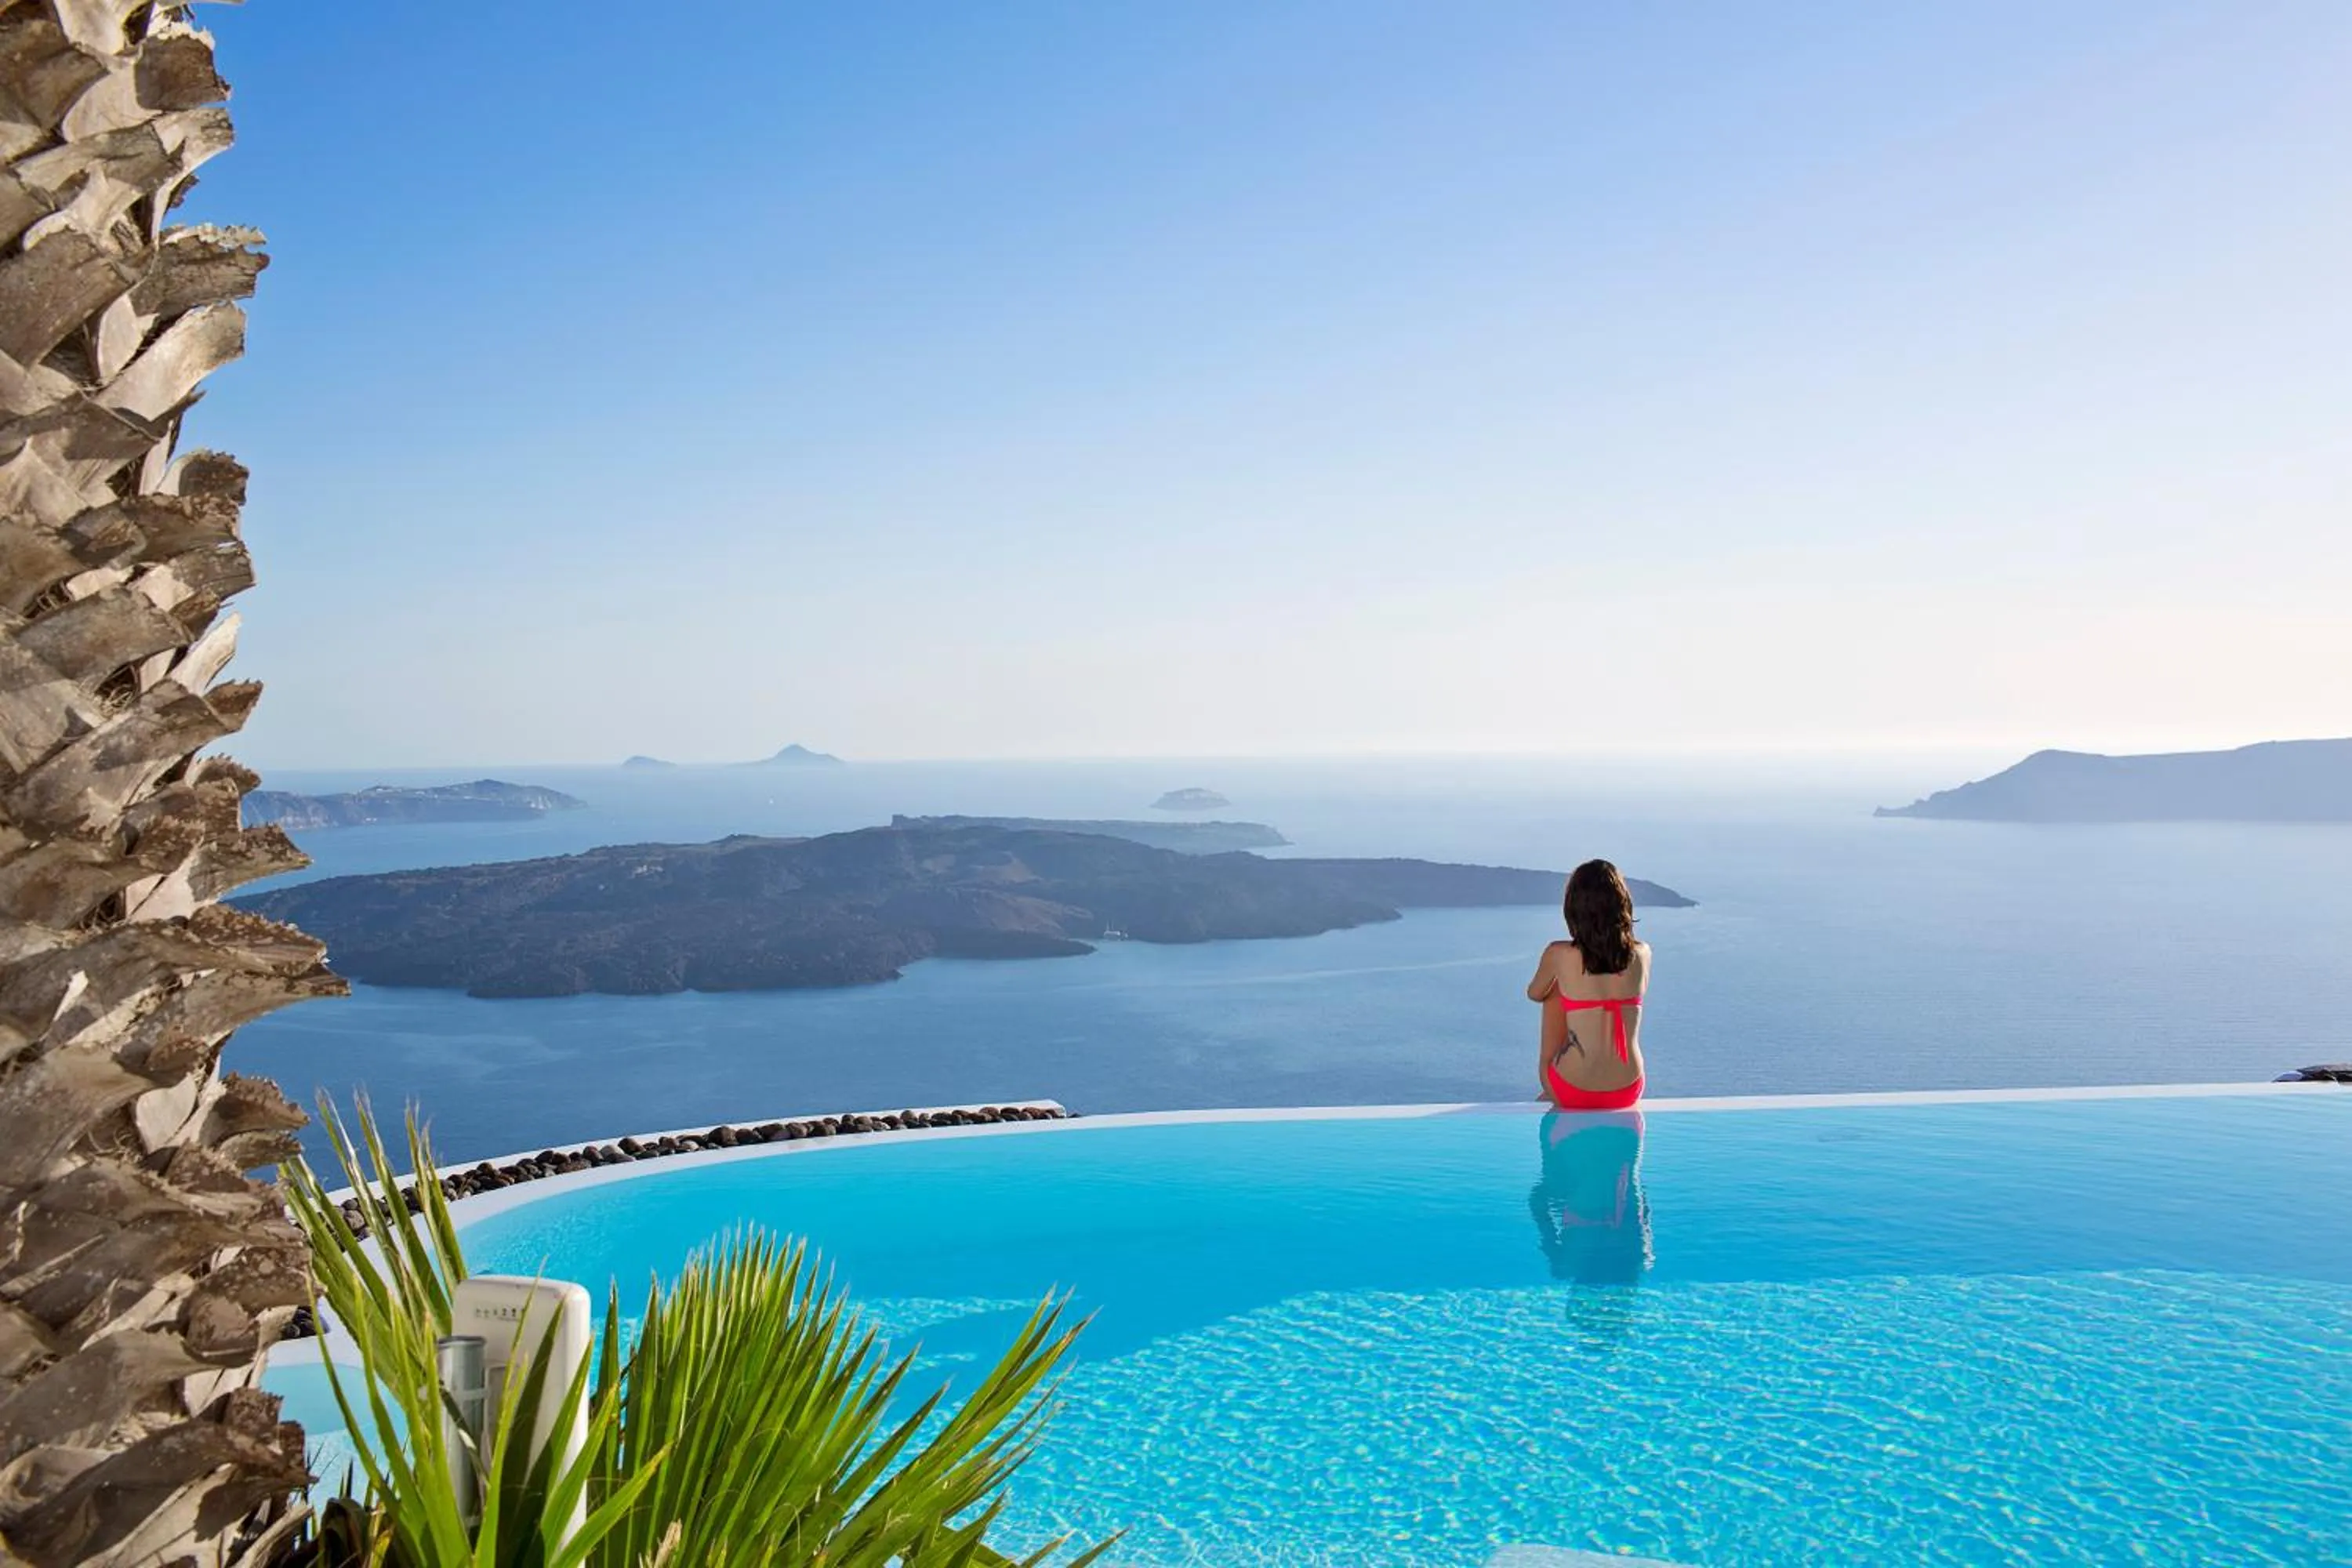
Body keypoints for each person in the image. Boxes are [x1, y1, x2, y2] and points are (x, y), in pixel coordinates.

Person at [1526, 858, 1649, 1111]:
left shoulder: (1558, 954)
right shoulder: (1643, 954)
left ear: (1574, 909)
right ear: (1622, 905)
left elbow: (1535, 993)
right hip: (1628, 1089)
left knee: (1556, 992)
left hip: (1574, 1091)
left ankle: (1559, 1087)